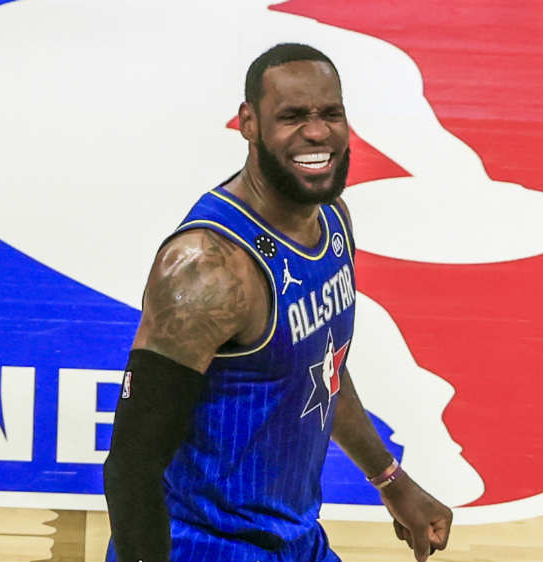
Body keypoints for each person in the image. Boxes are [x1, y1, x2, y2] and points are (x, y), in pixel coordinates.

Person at [103, 43, 452, 562]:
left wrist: (390, 479)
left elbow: (321, 369)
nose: (316, 132)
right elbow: (132, 465)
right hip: (203, 546)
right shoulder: (208, 268)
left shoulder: (332, 220)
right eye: (292, 117)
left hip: (294, 540)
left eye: (330, 114)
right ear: (248, 123)